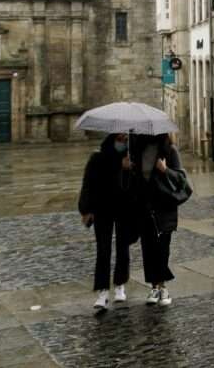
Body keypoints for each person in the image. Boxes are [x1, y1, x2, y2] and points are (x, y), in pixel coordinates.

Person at [78, 133, 134, 310]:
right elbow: (88, 182)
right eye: (120, 138)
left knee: (122, 246)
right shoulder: (98, 157)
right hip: (102, 208)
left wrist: (128, 169)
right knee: (103, 248)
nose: (123, 140)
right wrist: (85, 209)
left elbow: (136, 183)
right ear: (112, 137)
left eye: (125, 138)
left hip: (124, 207)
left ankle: (120, 285)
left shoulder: (131, 156)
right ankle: (102, 290)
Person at [133, 133, 184, 307]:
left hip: (165, 207)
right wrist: (126, 169)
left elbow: (181, 179)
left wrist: (165, 170)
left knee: (162, 248)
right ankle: (154, 287)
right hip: (145, 207)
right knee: (148, 247)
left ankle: (163, 287)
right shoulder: (138, 151)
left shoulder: (170, 151)